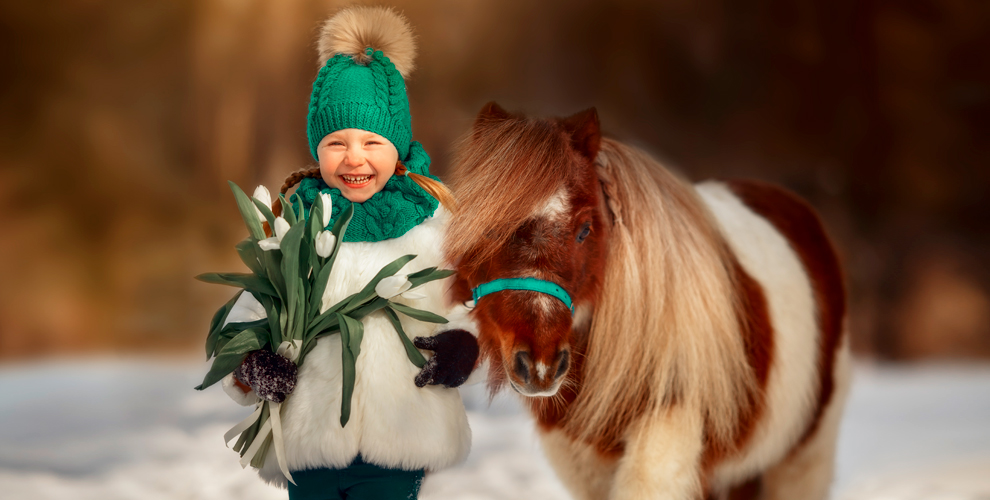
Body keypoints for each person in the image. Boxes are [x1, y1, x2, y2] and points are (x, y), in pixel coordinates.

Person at [216, 6, 480, 499]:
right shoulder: (293, 223)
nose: (354, 157)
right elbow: (247, 316)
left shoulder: (431, 224)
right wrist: (252, 365)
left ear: (397, 146)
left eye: (372, 141)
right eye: (336, 141)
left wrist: (465, 345)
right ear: (317, 149)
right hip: (309, 439)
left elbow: (466, 303)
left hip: (400, 435)